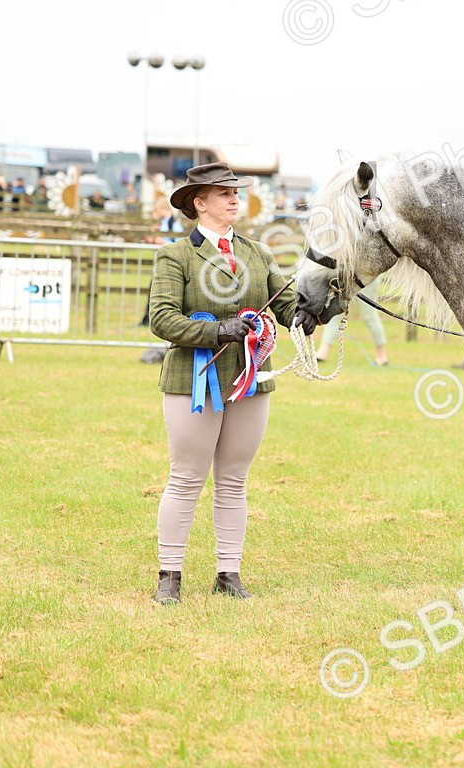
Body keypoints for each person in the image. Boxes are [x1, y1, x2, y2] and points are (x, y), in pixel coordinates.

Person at [148, 162, 317, 605]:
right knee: (186, 477)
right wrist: (217, 331)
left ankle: (229, 572)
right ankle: (170, 575)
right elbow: (162, 318)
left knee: (234, 480)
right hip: (194, 378)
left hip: (249, 383)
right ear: (199, 203)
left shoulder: (258, 253)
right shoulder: (175, 256)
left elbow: (286, 306)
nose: (233, 199)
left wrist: (317, 304)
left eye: (235, 192)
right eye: (223, 193)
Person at [314, 275, 389, 366]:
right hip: (346, 275)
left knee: (370, 316)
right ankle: (323, 351)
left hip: (368, 274)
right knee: (334, 313)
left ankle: (382, 355)